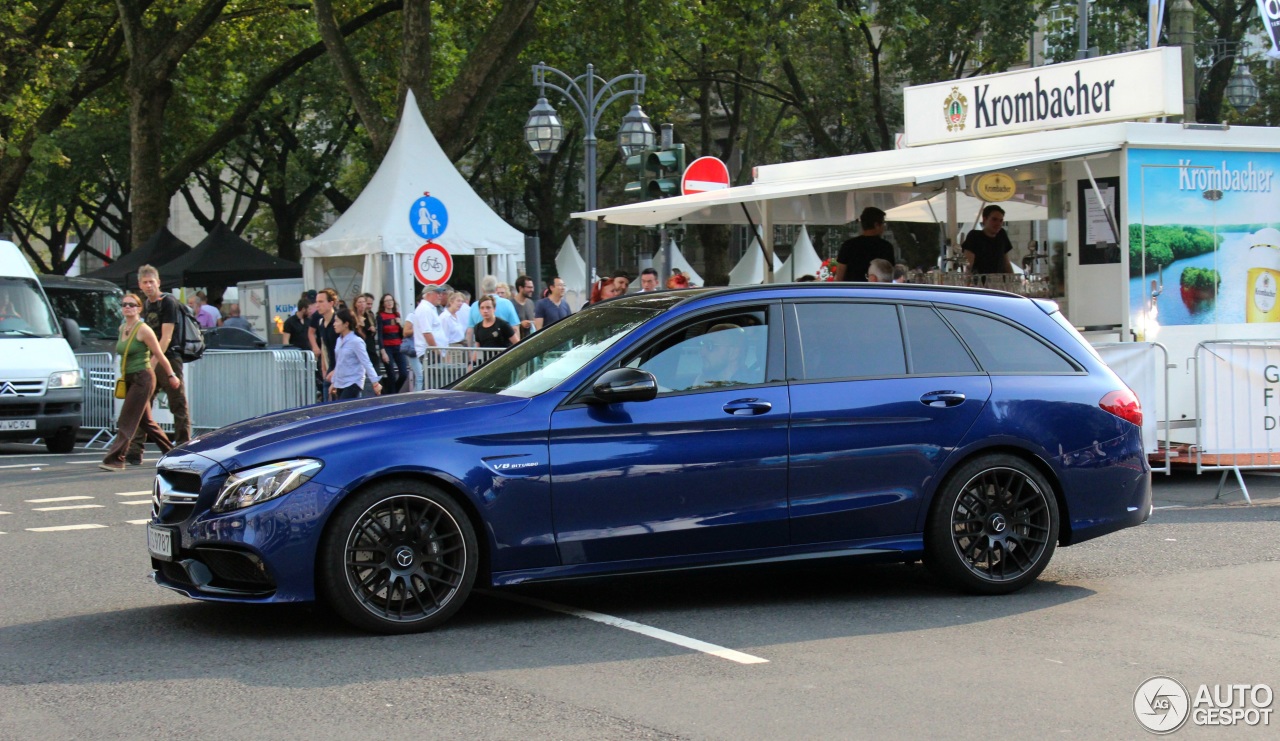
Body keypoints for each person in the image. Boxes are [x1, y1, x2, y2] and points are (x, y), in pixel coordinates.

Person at [100, 293, 181, 471]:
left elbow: (159, 354)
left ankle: (116, 459)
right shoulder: (122, 328)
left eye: (131, 305)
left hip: (143, 378)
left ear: (139, 308)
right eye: (124, 304)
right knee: (146, 422)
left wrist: (171, 375)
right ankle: (174, 455)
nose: (127, 307)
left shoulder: (143, 329)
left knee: (126, 418)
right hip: (129, 378)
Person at [127, 264, 191, 462]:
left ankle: (183, 447)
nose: (148, 286)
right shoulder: (146, 305)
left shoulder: (168, 302)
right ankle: (135, 450)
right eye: (145, 283)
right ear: (140, 284)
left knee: (177, 404)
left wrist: (153, 362)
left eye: (151, 282)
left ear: (158, 282)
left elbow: (166, 337)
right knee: (143, 404)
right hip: (152, 359)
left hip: (169, 359)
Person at [329, 308, 383, 400]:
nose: (334, 324)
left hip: (353, 382)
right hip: (341, 383)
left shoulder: (356, 341)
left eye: (337, 321)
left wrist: (375, 382)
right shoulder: (339, 340)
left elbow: (366, 362)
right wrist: (334, 381)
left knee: (344, 409)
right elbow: (339, 363)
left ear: (346, 324)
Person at [836, 207, 895, 282]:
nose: (884, 227)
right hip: (878, 291)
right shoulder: (886, 247)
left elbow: (839, 277)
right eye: (883, 223)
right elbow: (889, 276)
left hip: (852, 291)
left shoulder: (848, 245)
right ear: (876, 225)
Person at [404, 285, 445, 390]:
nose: (440, 296)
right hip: (430, 352)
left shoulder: (429, 308)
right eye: (437, 293)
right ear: (429, 294)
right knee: (431, 382)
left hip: (431, 352)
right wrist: (437, 351)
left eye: (441, 293)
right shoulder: (425, 309)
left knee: (434, 382)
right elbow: (427, 333)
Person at [962, 204, 1015, 274]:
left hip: (1000, 282)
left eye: (1001, 221)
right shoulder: (974, 236)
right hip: (979, 282)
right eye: (994, 219)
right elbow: (968, 265)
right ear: (984, 219)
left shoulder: (1002, 234)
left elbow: (1006, 263)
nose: (998, 223)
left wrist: (1013, 280)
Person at [467, 275, 520, 341]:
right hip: (504, 348)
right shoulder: (507, 303)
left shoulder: (474, 306)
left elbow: (470, 331)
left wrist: (470, 349)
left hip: (481, 348)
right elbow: (515, 328)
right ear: (496, 288)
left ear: (482, 289)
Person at [308, 288, 339, 400]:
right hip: (330, 368)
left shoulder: (338, 321)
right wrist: (324, 368)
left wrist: (337, 371)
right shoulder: (321, 322)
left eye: (321, 302)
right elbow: (324, 345)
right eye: (317, 302)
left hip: (343, 370)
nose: (317, 305)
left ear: (331, 303)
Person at [351, 293, 383, 395]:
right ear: (355, 304)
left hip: (370, 346)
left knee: (375, 371)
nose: (362, 304)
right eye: (359, 302)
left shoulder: (369, 315)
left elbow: (373, 331)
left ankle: (377, 391)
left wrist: (373, 329)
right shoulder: (353, 317)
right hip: (360, 348)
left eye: (363, 302)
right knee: (363, 376)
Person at [377, 293, 407, 394]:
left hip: (398, 346)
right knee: (392, 375)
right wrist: (383, 351)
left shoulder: (397, 315)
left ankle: (391, 393)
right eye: (387, 301)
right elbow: (380, 334)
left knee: (404, 373)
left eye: (391, 300)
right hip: (387, 347)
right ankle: (392, 395)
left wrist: (400, 324)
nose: (389, 302)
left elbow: (402, 334)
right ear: (383, 304)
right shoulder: (381, 316)